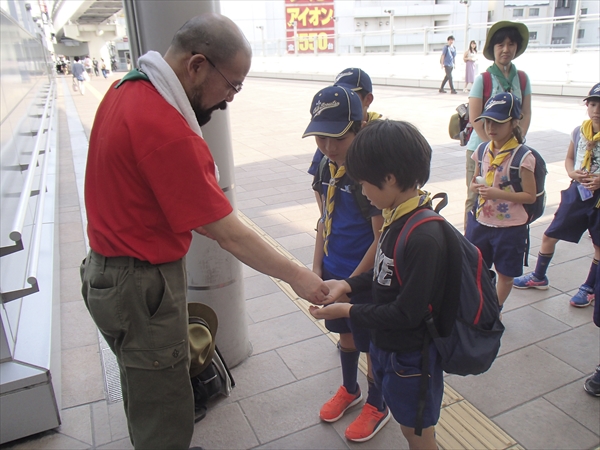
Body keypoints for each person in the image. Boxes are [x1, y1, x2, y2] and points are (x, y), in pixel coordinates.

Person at [80, 13, 328, 450]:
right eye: (233, 84)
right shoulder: (164, 126)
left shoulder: (124, 90)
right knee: (164, 404)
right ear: (197, 65)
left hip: (108, 274)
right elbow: (228, 232)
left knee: (143, 385)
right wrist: (299, 276)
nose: (229, 99)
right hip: (139, 284)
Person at [309, 119, 449, 449]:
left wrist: (349, 309)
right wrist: (347, 285)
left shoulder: (424, 236)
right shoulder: (396, 218)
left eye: (364, 184)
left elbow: (407, 313)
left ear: (389, 179)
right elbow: (381, 272)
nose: (365, 193)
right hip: (392, 350)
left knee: (417, 432)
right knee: (406, 425)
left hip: (414, 360)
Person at [302, 85, 388, 442]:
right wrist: (316, 269)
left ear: (359, 128)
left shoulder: (367, 172)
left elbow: (380, 236)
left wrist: (351, 283)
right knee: (347, 334)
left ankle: (378, 404)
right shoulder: (325, 165)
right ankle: (349, 388)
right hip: (335, 271)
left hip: (363, 278)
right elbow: (324, 219)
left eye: (337, 137)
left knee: (372, 341)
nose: (328, 146)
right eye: (320, 137)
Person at [513, 83, 600, 307]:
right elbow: (570, 158)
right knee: (550, 234)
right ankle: (538, 276)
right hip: (578, 192)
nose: (596, 109)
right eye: (593, 103)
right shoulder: (579, 131)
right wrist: (572, 173)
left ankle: (590, 286)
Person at [466, 92, 536, 308]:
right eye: (487, 121)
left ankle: (495, 308)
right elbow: (472, 185)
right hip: (482, 222)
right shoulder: (481, 150)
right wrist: (476, 187)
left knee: (505, 274)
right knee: (475, 269)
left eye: (498, 122)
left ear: (514, 122)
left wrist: (497, 194)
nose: (490, 127)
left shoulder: (523, 157)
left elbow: (530, 196)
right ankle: (481, 306)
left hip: (510, 227)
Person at [464, 21, 532, 230]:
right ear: (492, 48)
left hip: (512, 152)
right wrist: (492, 146)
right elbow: (475, 118)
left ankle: (504, 235)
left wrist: (514, 143)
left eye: (511, 44)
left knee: (507, 195)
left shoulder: (521, 78)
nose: (505, 49)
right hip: (481, 149)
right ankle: (471, 245)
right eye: (500, 45)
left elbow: (526, 113)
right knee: (476, 195)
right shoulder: (483, 79)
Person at [307, 68, 382, 215]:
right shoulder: (328, 147)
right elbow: (318, 184)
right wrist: (325, 219)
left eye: (352, 93)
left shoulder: (379, 142)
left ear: (368, 99)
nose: (330, 147)